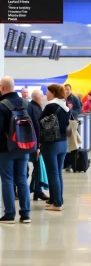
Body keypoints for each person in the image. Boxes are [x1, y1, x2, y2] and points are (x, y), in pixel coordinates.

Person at [0, 76, 40, 223]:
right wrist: (36, 145)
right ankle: (25, 214)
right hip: (24, 148)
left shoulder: (2, 105)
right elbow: (35, 125)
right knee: (22, 179)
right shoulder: (26, 104)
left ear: (2, 87)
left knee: (7, 180)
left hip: (6, 149)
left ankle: (10, 214)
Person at [40, 84, 70, 211]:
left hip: (51, 143)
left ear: (53, 92)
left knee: (52, 173)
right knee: (57, 173)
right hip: (63, 142)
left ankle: (57, 203)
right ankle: (57, 199)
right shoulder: (66, 107)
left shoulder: (50, 105)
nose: (46, 94)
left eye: (47, 92)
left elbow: (39, 121)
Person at [29, 90, 49, 201]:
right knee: (37, 167)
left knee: (37, 167)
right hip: (35, 143)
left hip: (33, 142)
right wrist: (38, 145)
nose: (43, 97)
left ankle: (36, 189)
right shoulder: (35, 109)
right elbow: (38, 127)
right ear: (37, 97)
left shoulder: (35, 107)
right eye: (42, 96)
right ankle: (37, 190)